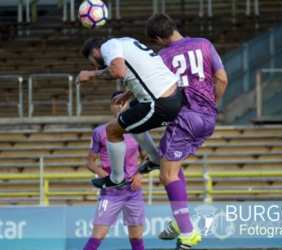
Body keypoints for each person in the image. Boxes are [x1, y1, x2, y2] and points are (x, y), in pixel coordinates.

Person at [141, 13, 228, 250]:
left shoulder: (161, 57)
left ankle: (187, 233)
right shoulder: (204, 44)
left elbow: (151, 91)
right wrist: (212, 105)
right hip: (208, 119)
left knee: (165, 174)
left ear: (159, 38)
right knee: (171, 165)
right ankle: (182, 223)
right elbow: (221, 79)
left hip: (185, 118)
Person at [76, 36, 183, 189]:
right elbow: (144, 72)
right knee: (125, 114)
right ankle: (154, 159)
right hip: (170, 95)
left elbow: (118, 71)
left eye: (91, 61)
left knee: (112, 130)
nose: (95, 67)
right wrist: (127, 94)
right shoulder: (127, 42)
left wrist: (90, 74)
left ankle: (116, 178)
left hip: (160, 103)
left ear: (95, 51)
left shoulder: (108, 46)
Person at [83, 91, 148, 250]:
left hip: (133, 191)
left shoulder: (138, 130)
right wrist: (99, 171)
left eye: (123, 102)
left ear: (128, 105)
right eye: (115, 102)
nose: (120, 105)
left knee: (136, 237)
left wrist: (139, 174)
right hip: (110, 193)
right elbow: (89, 161)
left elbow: (147, 157)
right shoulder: (100, 132)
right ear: (111, 107)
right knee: (97, 237)